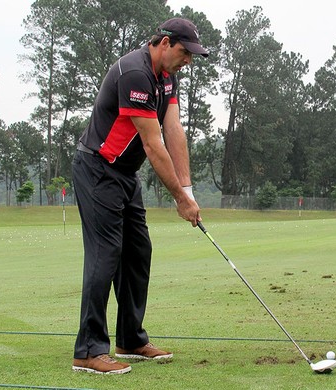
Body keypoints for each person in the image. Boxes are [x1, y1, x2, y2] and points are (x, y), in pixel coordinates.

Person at [71, 17, 208, 375]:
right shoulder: (134, 73)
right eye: (184, 52)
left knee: (138, 251)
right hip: (98, 168)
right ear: (164, 43)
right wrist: (179, 198)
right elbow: (152, 143)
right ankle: (88, 350)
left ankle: (129, 338)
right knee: (106, 253)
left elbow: (173, 129)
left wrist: (188, 189)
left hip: (124, 175)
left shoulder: (167, 77)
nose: (188, 60)